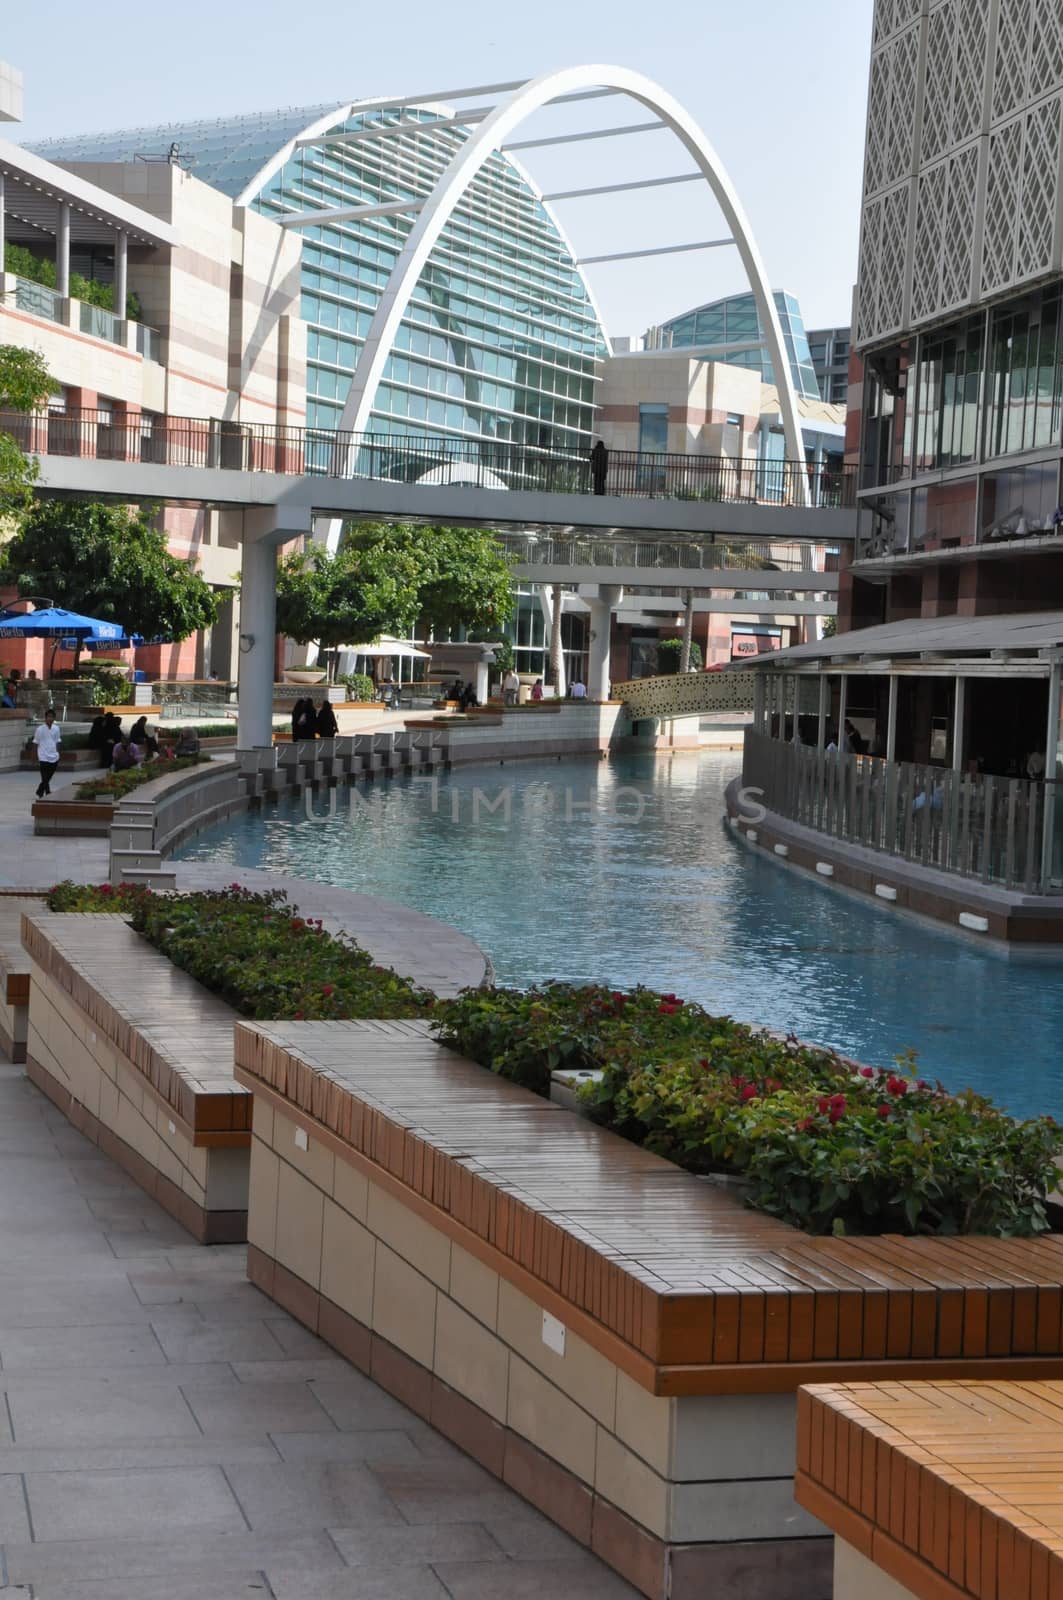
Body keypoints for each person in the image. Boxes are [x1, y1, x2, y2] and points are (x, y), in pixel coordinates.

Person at [33, 709, 61, 799]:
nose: (50, 718)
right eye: (48, 716)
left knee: (49, 775)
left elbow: (57, 741)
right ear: (45, 718)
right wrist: (33, 756)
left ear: (54, 718)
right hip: (43, 755)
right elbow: (35, 742)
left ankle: (40, 790)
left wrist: (58, 752)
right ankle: (47, 791)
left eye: (52, 717)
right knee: (44, 776)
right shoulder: (40, 729)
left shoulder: (56, 728)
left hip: (54, 755)